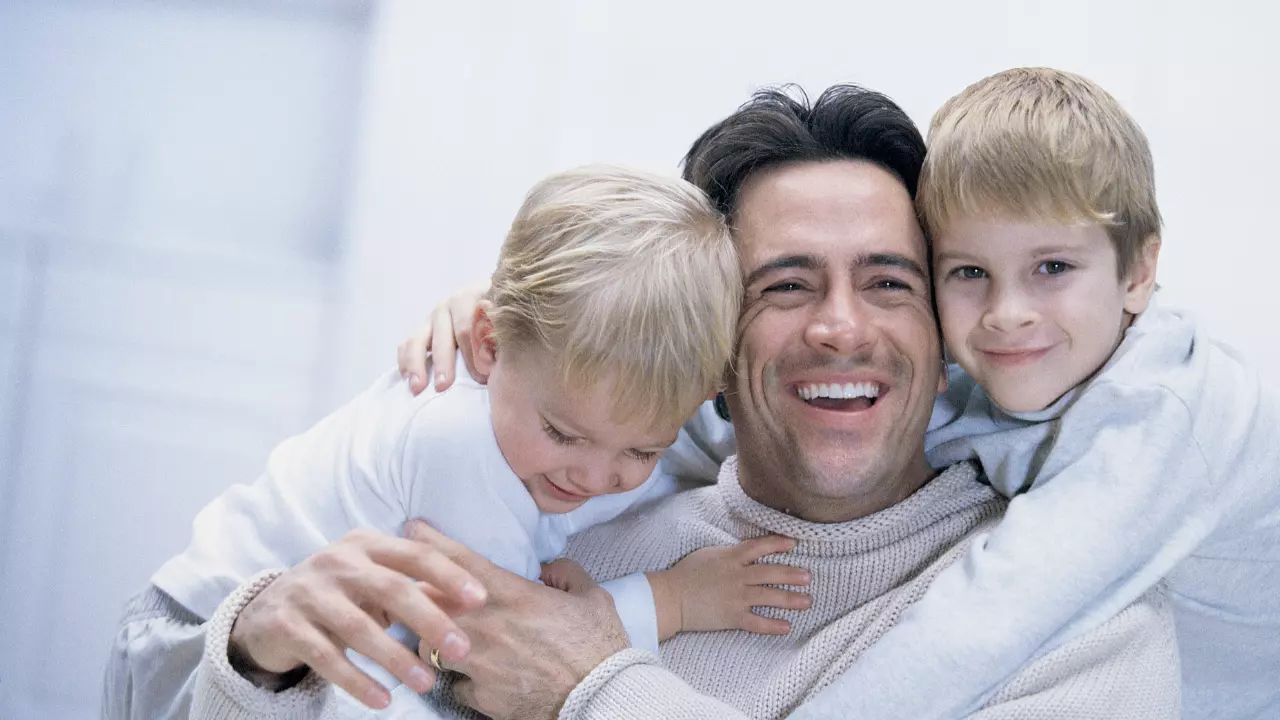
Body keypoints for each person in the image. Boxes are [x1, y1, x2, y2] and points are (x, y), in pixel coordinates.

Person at [411, 70, 1280, 720]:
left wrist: (595, 692)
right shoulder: (561, 555)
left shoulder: (1093, 627)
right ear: (711, 338)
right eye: (786, 286)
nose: (840, 329)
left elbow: (975, 630)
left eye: (890, 284)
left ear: (942, 342)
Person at [102, 165, 813, 719]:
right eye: (564, 434)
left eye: (641, 451)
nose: (599, 477)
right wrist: (674, 600)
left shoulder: (549, 396)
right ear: (485, 343)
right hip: (193, 648)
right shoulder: (459, 439)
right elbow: (491, 643)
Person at [785, 67, 1280, 720]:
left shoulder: (1168, 416)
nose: (1006, 312)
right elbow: (775, 411)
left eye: (1052, 267)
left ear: (1138, 272)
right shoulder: (998, 367)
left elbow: (984, 623)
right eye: (969, 271)